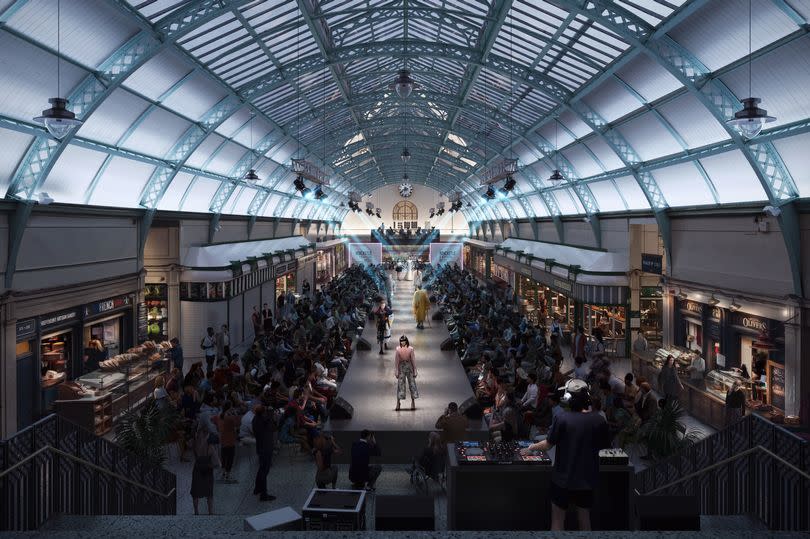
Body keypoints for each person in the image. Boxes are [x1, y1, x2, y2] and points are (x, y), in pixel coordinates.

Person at [520, 380, 610, 531]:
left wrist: (531, 448)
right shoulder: (599, 420)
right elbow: (605, 446)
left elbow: (548, 444)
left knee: (557, 518)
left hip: (562, 479)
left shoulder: (562, 418)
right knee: (584, 517)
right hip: (587, 480)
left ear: (567, 398)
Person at [190, 426, 219, 515]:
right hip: (208, 469)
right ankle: (210, 512)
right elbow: (217, 462)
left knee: (195, 491)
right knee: (209, 492)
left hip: (197, 468)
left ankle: (196, 512)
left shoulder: (194, 443)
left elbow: (190, 449)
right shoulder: (210, 446)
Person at [252, 403, 277, 502]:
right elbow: (274, 427)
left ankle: (257, 488)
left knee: (261, 468)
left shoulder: (255, 419)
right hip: (266, 448)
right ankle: (264, 494)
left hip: (260, 447)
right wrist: (271, 415)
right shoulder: (265, 421)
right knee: (264, 471)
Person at [214, 401, 240, 482]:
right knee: (230, 457)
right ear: (230, 407)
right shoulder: (229, 417)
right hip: (230, 439)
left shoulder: (219, 416)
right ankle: (228, 475)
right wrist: (235, 413)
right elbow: (238, 423)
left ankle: (223, 473)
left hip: (222, 438)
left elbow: (215, 423)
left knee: (224, 456)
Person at [395, 335, 418, 411]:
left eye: (404, 341)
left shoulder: (411, 349)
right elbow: (396, 361)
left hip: (409, 366)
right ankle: (398, 402)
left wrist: (415, 370)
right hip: (401, 367)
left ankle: (413, 402)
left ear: (406, 341)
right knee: (400, 384)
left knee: (412, 384)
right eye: (401, 341)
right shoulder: (398, 349)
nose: (403, 342)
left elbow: (413, 360)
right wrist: (396, 371)